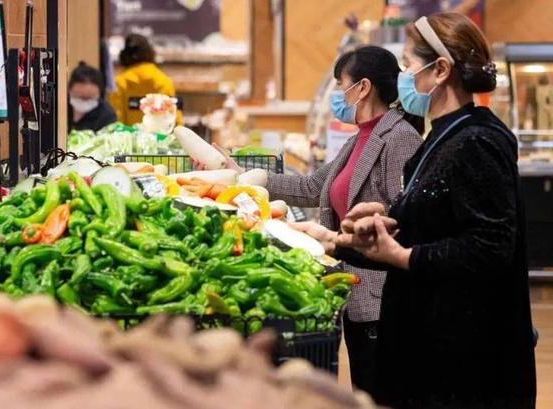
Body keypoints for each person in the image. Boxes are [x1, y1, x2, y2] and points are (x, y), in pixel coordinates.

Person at [295, 13, 536, 409]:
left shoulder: (476, 140)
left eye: (408, 64)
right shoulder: (442, 137)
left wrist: (404, 256)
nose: (403, 77)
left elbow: (490, 246)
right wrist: (342, 239)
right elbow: (433, 225)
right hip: (433, 351)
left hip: (464, 363)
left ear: (439, 70)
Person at [196, 46, 423, 395]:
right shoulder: (359, 139)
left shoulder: (400, 138)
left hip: (381, 294)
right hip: (355, 289)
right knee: (364, 384)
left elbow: (406, 215)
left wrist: (357, 228)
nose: (338, 95)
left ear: (363, 88)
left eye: (341, 85)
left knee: (378, 389)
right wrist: (242, 176)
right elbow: (312, 187)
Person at [109, 33, 178, 126]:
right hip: (160, 135)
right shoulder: (164, 81)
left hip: (128, 135)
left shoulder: (119, 83)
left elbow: (116, 120)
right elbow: (175, 117)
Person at [67, 62, 117, 132]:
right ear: (69, 90)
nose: (84, 102)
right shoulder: (58, 109)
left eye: (89, 98)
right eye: (80, 97)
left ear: (99, 94)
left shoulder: (107, 115)